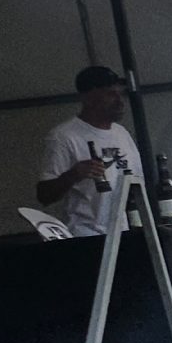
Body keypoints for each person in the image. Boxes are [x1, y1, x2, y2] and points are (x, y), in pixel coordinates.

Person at [34, 66, 145, 237]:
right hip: (87, 235)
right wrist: (73, 175)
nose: (119, 101)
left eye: (120, 94)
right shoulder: (63, 137)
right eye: (110, 94)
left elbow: (139, 184)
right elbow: (44, 195)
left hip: (126, 231)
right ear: (88, 98)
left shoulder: (121, 133)